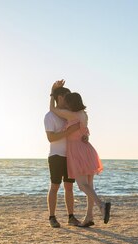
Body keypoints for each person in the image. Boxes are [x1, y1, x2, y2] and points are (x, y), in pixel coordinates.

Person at [49, 80, 111, 227]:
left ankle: (101, 205)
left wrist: (52, 92)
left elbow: (53, 109)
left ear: (72, 104)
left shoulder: (72, 115)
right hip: (87, 148)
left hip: (76, 150)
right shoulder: (83, 114)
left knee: (83, 185)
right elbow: (84, 131)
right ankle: (89, 217)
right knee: (89, 185)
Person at [45, 84, 82, 228]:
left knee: (69, 187)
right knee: (55, 186)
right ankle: (52, 217)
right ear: (60, 98)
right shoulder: (50, 116)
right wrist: (69, 131)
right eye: (66, 97)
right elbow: (51, 138)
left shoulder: (67, 113)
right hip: (56, 155)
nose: (68, 100)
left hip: (70, 155)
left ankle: (71, 217)